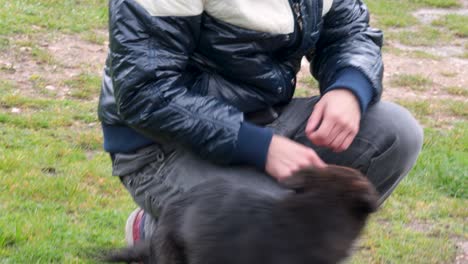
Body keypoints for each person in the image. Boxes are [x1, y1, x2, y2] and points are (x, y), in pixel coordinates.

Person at [98, 0, 423, 244]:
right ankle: (161, 241)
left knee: (396, 133)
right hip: (162, 145)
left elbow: (349, 30)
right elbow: (145, 93)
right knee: (267, 219)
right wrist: (259, 146)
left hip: (264, 118)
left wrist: (349, 87)